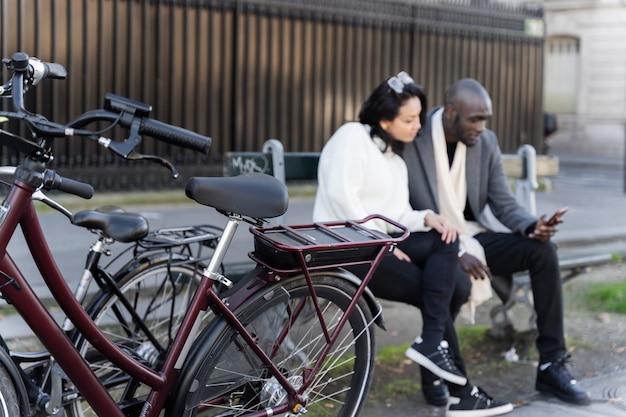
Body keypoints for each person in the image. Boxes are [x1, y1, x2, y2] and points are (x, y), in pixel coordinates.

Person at [313, 72, 514, 416]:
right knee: (449, 286)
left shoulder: (394, 159)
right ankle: (461, 389)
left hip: (378, 247)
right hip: (344, 247)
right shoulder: (352, 137)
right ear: (383, 118)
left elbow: (398, 213)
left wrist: (426, 218)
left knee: (445, 236)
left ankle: (432, 344)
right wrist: (386, 246)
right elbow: (344, 202)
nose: (417, 126)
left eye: (419, 117)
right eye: (409, 119)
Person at [403, 77, 592, 407]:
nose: (482, 127)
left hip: (472, 234)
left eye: (485, 119)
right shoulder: (413, 138)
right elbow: (406, 208)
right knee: (450, 273)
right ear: (450, 113)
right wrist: (453, 248)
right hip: (426, 239)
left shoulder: (485, 142)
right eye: (474, 119)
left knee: (542, 251)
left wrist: (534, 225)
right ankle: (436, 371)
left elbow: (502, 202)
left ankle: (551, 365)